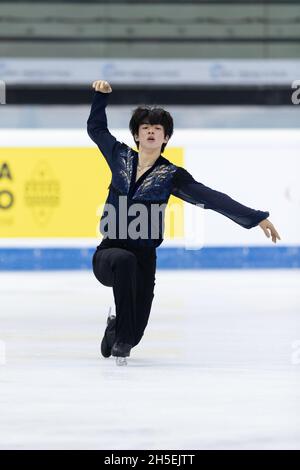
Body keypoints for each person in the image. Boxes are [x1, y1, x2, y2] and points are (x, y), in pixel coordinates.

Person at [87, 79, 281, 365]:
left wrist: (255, 217)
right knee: (124, 261)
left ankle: (116, 331)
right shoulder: (119, 156)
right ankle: (122, 343)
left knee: (135, 331)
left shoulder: (171, 175)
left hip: (144, 261)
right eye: (145, 128)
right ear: (137, 135)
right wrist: (100, 97)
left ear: (165, 138)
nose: (151, 132)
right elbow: (97, 130)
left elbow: (212, 198)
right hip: (108, 255)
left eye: (158, 129)